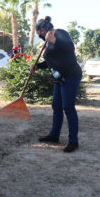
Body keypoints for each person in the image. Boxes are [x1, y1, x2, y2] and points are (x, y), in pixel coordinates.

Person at [30, 16, 82, 153]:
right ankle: (54, 135)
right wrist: (38, 66)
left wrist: (53, 40)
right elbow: (50, 60)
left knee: (68, 107)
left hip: (71, 75)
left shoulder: (59, 33)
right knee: (56, 106)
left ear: (42, 30)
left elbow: (70, 48)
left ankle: (73, 141)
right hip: (59, 78)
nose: (40, 36)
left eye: (38, 34)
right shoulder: (48, 42)